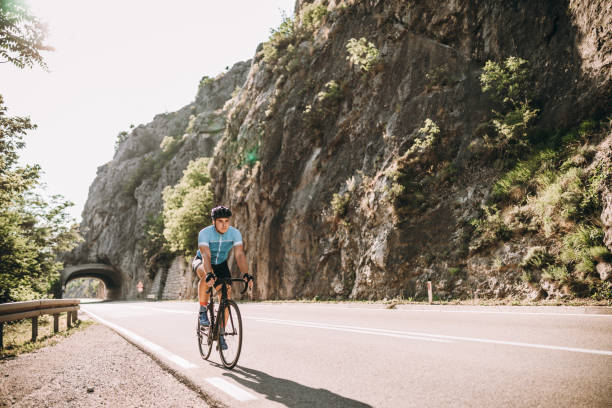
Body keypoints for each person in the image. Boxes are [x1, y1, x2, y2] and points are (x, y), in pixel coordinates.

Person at [192, 206, 253, 349]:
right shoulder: (204, 233)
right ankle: (202, 311)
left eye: (227, 221)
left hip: (221, 264)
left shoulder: (234, 233)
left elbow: (239, 255)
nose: (224, 224)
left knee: (226, 296)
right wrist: (209, 274)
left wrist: (246, 274)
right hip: (202, 261)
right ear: (213, 221)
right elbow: (206, 254)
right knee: (205, 277)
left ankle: (220, 332)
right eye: (220, 221)